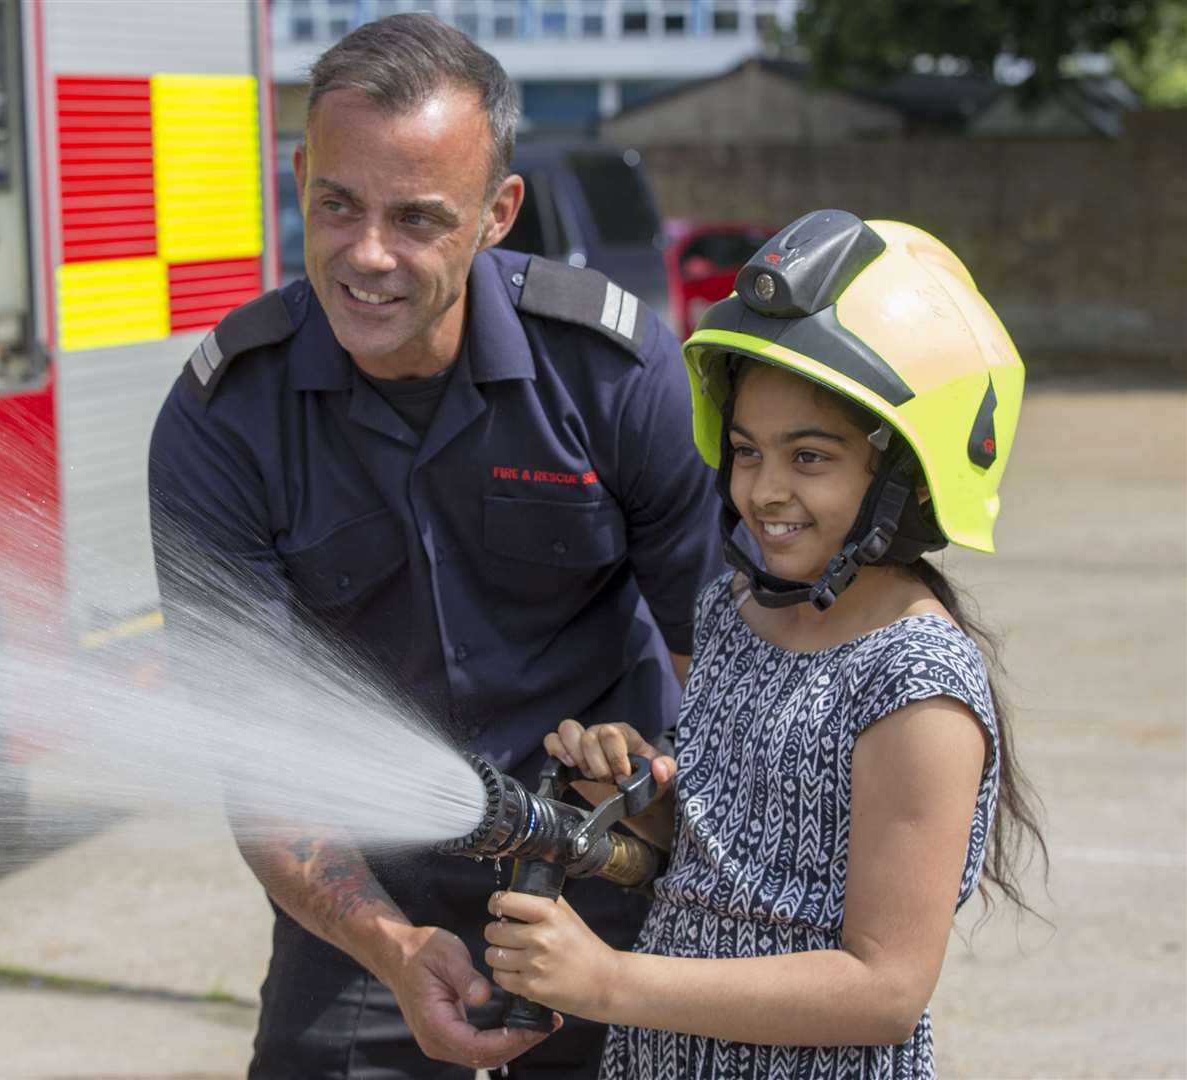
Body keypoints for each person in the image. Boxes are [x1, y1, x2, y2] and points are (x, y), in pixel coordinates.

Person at [146, 13, 726, 1078]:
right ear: (299, 174)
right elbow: (260, 759)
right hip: (368, 891)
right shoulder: (224, 417)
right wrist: (395, 947)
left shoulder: (614, 373)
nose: (367, 255)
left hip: (618, 873)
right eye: (336, 205)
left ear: (496, 212)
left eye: (417, 218)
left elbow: (732, 670)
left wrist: (652, 790)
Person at [479, 210, 1048, 1078]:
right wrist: (633, 793)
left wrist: (609, 981)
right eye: (746, 451)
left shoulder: (915, 684)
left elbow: (884, 988)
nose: (764, 490)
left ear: (904, 475)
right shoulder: (732, 610)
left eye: (809, 457)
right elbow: (732, 863)